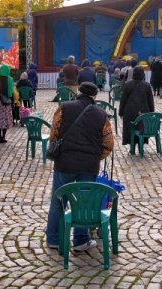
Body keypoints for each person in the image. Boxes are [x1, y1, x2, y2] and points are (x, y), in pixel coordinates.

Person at [44, 82, 113, 252]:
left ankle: (54, 239)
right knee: (84, 202)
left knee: (58, 200)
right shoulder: (101, 114)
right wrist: (96, 156)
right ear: (95, 96)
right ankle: (81, 240)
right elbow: (108, 143)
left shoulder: (64, 108)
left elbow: (54, 132)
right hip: (88, 166)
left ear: (79, 92)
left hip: (64, 163)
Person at [119, 67, 156, 145]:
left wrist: (120, 112)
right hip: (143, 111)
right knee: (141, 127)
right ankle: (141, 143)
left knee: (130, 128)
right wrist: (151, 112)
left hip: (129, 111)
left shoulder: (128, 84)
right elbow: (150, 101)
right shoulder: (147, 85)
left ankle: (131, 145)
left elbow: (123, 100)